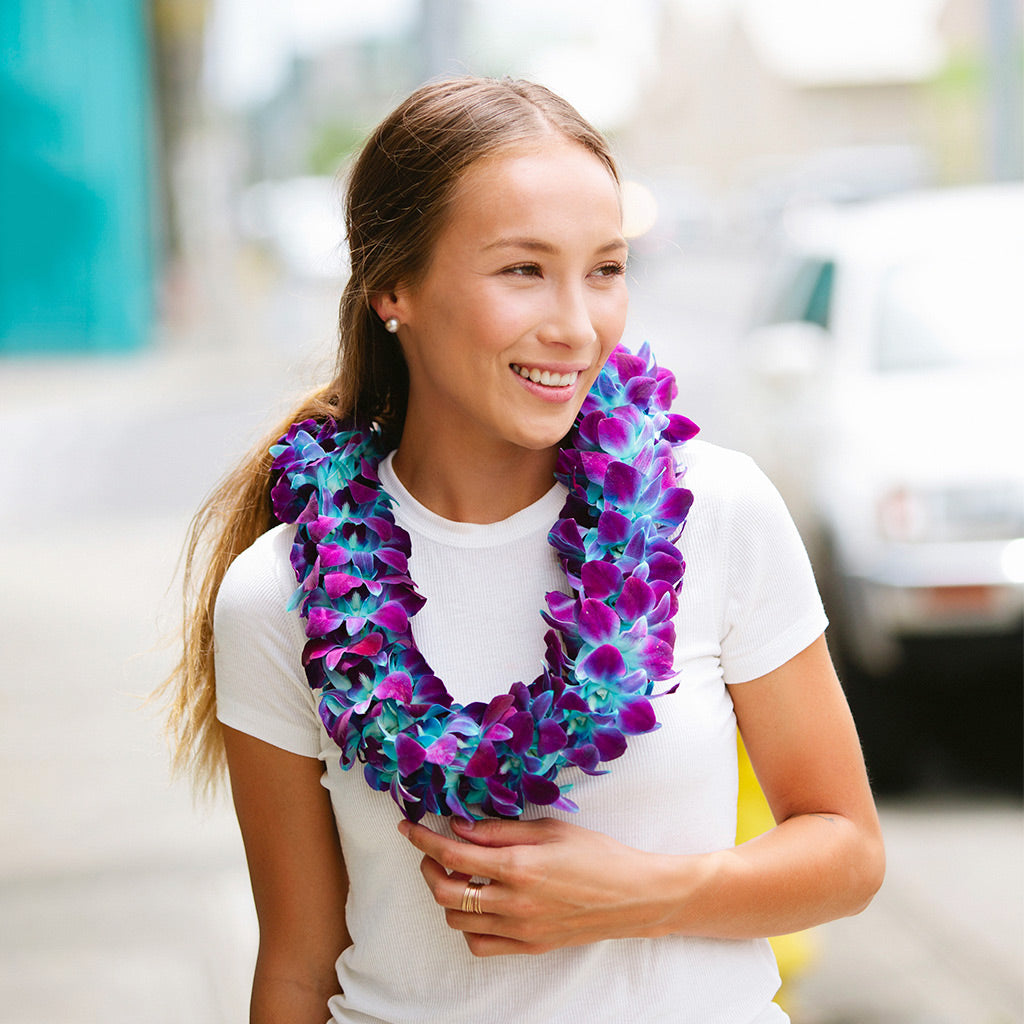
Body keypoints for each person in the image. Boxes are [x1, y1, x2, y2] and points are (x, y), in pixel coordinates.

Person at [161, 76, 884, 1024]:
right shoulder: (279, 596)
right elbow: (298, 963)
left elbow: (848, 850)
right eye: (522, 270)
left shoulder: (712, 513)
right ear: (394, 287)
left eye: (606, 269)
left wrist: (641, 893)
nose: (577, 327)